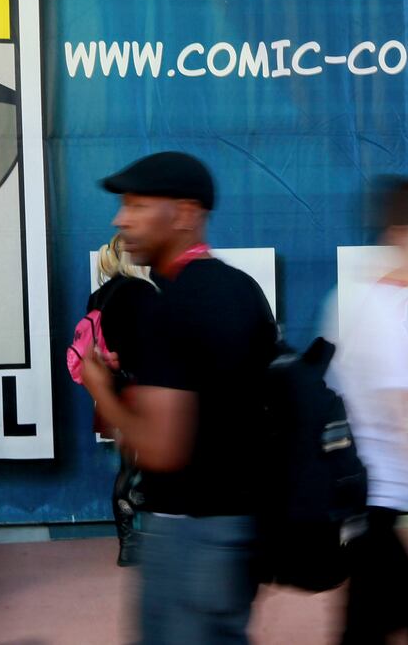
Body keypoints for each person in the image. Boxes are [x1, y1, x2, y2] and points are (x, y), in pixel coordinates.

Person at [78, 152, 278, 643]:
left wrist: (103, 387)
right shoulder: (243, 289)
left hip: (189, 535)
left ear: (186, 214)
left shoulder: (170, 307)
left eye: (138, 204)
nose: (121, 218)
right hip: (240, 532)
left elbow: (160, 449)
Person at [331, 179, 408, 644]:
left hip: (367, 491)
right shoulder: (384, 307)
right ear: (403, 230)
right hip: (381, 488)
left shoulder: (360, 298)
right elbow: (398, 404)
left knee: (369, 618)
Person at [72, 234, 158, 566]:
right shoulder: (145, 292)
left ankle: (128, 545)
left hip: (112, 394)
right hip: (144, 391)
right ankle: (150, 530)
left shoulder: (97, 297)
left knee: (127, 465)